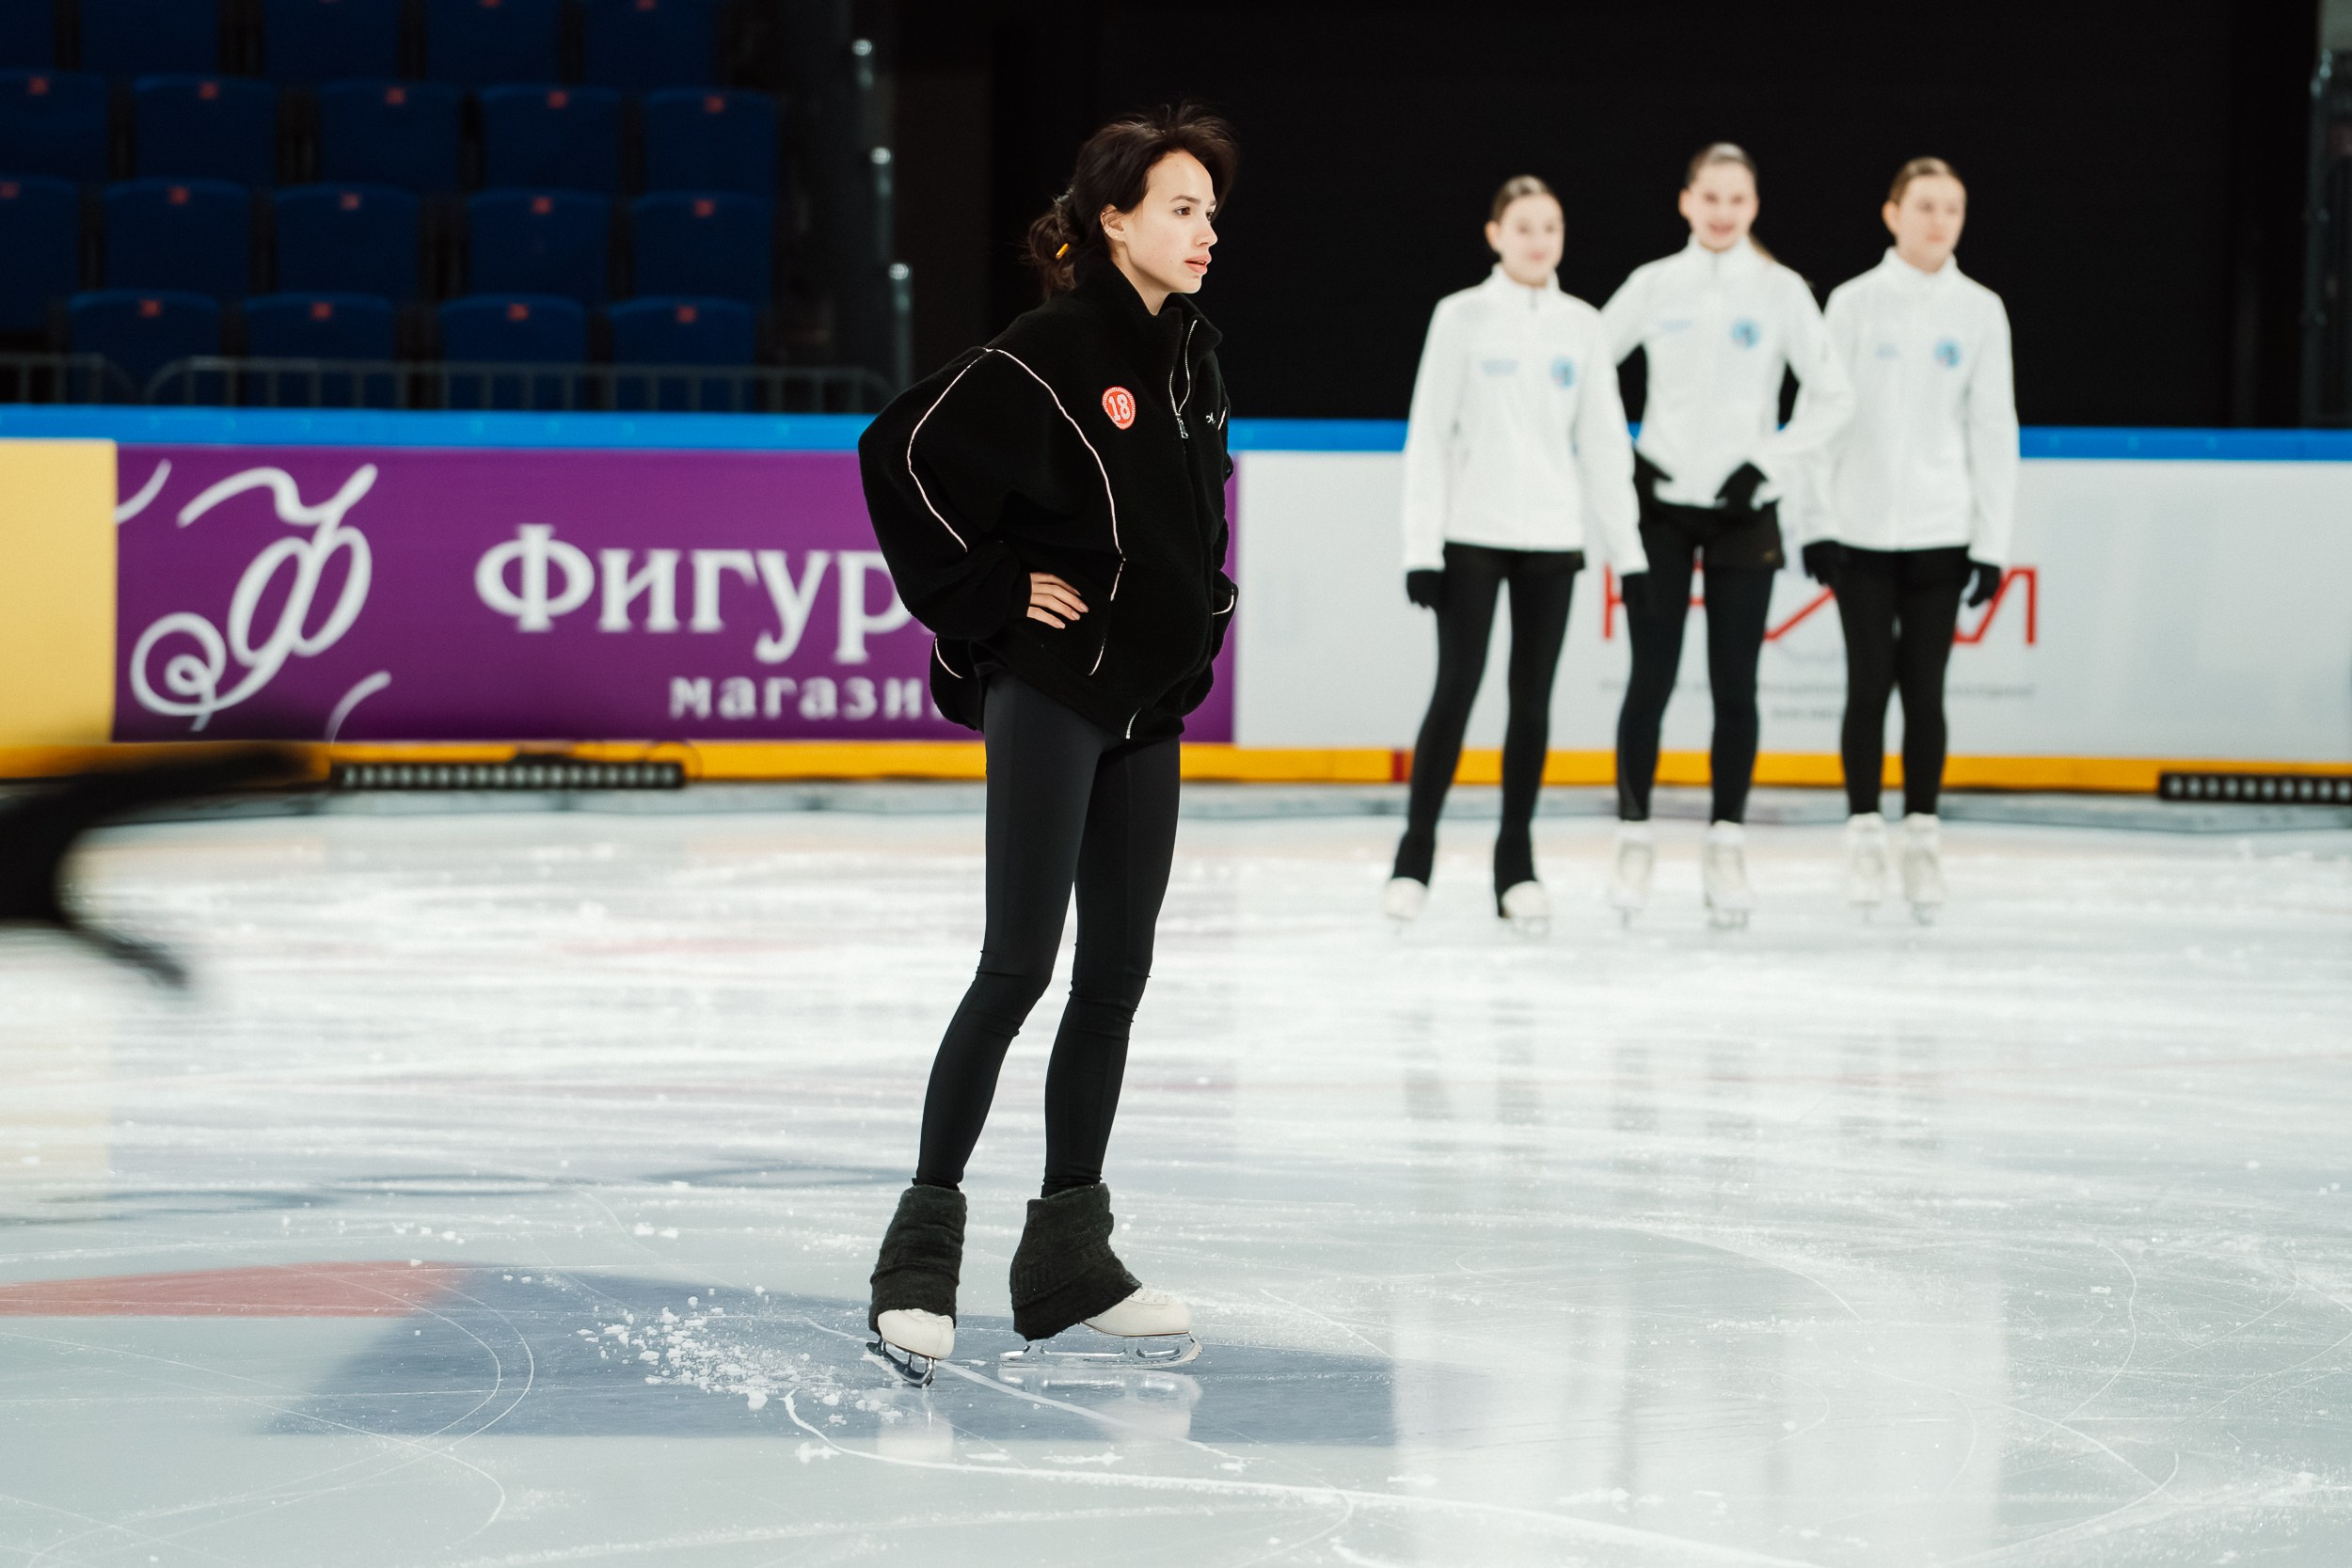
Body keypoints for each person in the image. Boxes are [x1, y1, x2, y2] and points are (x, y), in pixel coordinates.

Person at [851, 105, 1237, 1385]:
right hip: (1054, 690)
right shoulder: (1053, 348)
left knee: (1114, 975)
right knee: (1018, 964)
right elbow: (897, 451)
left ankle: (1068, 1256)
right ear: (1114, 217)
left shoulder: (1193, 355)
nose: (1204, 230)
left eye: (1210, 211)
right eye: (1180, 207)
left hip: (1147, 707)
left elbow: (1189, 527)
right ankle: (918, 1257)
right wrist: (991, 592)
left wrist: (1203, 620)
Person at [1599, 143, 1853, 927]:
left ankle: (1726, 846)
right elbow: (1584, 365)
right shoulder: (1653, 285)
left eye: (1735, 199)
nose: (1721, 212)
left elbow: (1834, 395)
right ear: (1685, 201)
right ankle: (1635, 844)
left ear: (1753, 205)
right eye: (1709, 197)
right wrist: (1627, 456)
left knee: (1735, 684)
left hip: (1747, 511)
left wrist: (1766, 461)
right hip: (1664, 506)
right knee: (1652, 677)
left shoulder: (1780, 291)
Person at [1383, 176, 1645, 934]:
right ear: (1495, 233)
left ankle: (1516, 866)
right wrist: (1419, 545)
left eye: (1551, 227)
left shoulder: (1583, 325)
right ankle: (1413, 857)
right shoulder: (1461, 316)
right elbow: (1428, 435)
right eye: (1524, 226)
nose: (1538, 239)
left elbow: (1603, 445)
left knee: (1532, 702)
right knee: (1457, 686)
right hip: (1470, 535)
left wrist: (1628, 556)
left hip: (1553, 540)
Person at [1798, 156, 2017, 921]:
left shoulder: (1981, 310)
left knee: (1925, 687)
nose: (1938, 221)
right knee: (1868, 682)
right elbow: (1822, 417)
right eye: (1924, 205)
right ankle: (1863, 833)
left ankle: (1921, 835)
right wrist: (1816, 520)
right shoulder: (1853, 304)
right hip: (1858, 531)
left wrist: (1991, 541)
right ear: (1892, 213)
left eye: (1951, 208)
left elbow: (1993, 430)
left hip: (1940, 530)